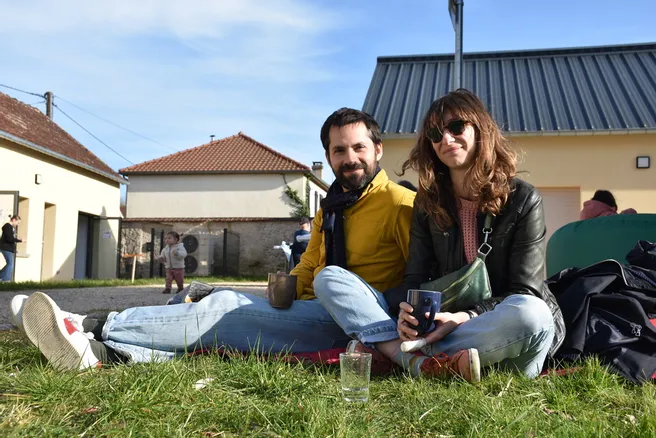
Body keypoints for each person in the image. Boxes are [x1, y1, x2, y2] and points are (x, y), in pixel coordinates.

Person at [15, 107, 416, 370]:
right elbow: (311, 263)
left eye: (359, 147)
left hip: (355, 324)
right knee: (218, 310)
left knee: (223, 311)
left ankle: (89, 323)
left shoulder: (400, 204)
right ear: (328, 156)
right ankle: (104, 354)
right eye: (339, 150)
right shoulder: (331, 206)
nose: (350, 159)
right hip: (314, 310)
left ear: (377, 149)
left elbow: (419, 276)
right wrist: (280, 297)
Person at [314, 89, 562, 383]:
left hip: (495, 331)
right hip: (444, 326)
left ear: (480, 130)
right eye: (435, 132)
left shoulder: (523, 199)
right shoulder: (428, 203)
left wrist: (465, 317)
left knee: (531, 314)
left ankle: (399, 356)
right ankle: (423, 363)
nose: (446, 139)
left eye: (457, 127)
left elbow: (526, 291)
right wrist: (408, 315)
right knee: (331, 278)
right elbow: (415, 281)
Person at [1, 215, 23, 282]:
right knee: (10, 264)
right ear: (13, 220)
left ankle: (2, 276)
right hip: (5, 248)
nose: (17, 224)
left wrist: (14, 249)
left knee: (10, 264)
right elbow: (10, 239)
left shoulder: (10, 227)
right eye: (17, 222)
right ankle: (5, 280)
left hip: (8, 248)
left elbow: (10, 239)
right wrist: (20, 240)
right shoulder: (7, 226)